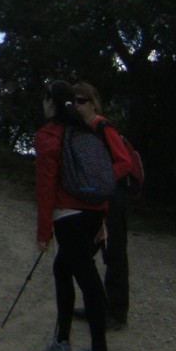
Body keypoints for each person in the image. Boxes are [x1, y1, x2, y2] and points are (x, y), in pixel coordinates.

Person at [35, 80, 132, 351]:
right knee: (62, 268)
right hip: (93, 211)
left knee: (87, 279)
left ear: (50, 102)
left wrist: (44, 232)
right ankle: (62, 340)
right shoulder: (84, 131)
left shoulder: (49, 136)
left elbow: (45, 188)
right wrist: (102, 219)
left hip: (69, 215)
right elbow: (100, 175)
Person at [73, 81, 131, 330]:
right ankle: (98, 304)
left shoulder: (103, 127)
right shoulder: (82, 130)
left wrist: (101, 181)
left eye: (81, 101)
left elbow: (125, 162)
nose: (76, 105)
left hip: (112, 200)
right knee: (84, 253)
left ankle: (116, 314)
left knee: (114, 254)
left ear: (93, 103)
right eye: (73, 101)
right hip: (97, 200)